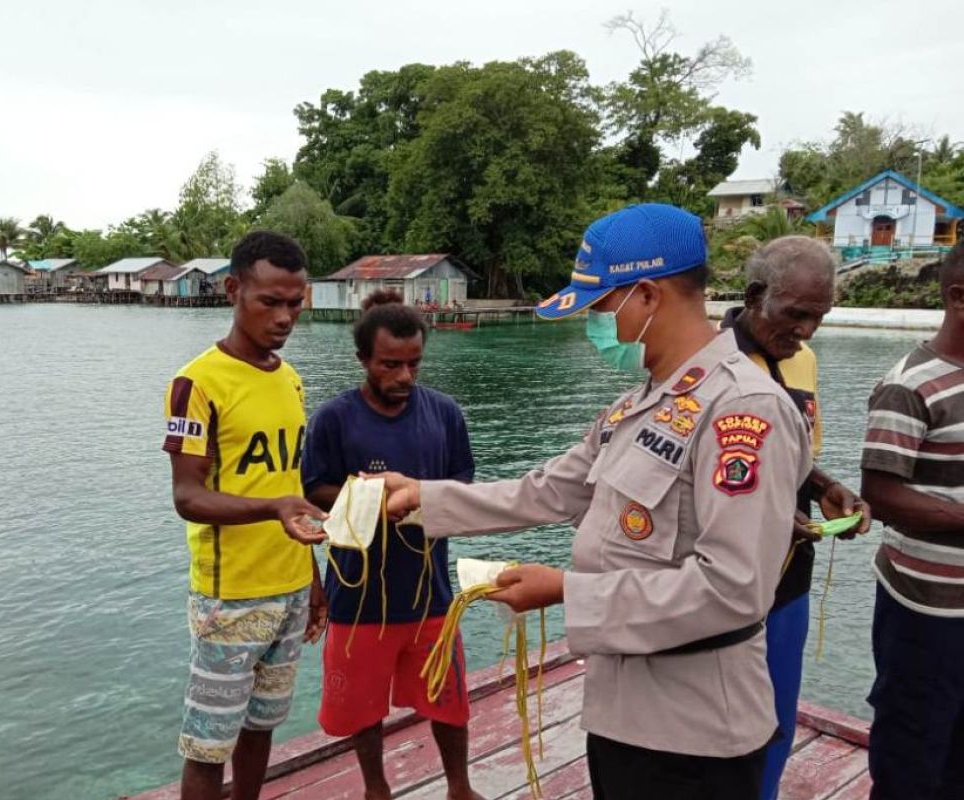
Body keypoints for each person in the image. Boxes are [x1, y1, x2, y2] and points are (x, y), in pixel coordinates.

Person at [380, 204, 812, 800]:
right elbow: (549, 489)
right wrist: (421, 498)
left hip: (695, 731)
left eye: (602, 307)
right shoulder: (640, 404)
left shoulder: (743, 411)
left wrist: (565, 590)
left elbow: (733, 589)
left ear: (647, 295)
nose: (594, 324)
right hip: (619, 708)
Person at [164, 230, 328, 800]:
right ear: (234, 290)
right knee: (209, 743)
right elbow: (187, 496)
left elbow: (288, 484)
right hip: (230, 595)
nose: (284, 317)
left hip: (289, 586)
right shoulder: (199, 382)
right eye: (270, 301)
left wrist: (313, 574)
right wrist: (273, 508)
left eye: (295, 304)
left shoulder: (290, 379)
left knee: (263, 725)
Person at [302, 290, 481, 800]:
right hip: (357, 602)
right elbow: (313, 488)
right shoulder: (333, 419)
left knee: (449, 701)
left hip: (431, 595)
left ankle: (460, 788)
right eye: (390, 365)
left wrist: (424, 500)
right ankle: (375, 789)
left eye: (414, 364)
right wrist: (375, 499)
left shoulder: (445, 414)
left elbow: (463, 482)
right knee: (363, 708)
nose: (404, 376)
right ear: (363, 360)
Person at [721, 236, 871, 800]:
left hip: (791, 576)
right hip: (727, 582)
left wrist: (827, 487)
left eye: (820, 317)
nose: (807, 330)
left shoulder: (800, 360)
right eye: (796, 314)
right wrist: (762, 512)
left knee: (779, 713)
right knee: (722, 723)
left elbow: (797, 455)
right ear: (757, 296)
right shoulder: (706, 362)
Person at [861, 239, 964, 800]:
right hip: (924, 608)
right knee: (912, 751)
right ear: (958, 297)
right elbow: (881, 494)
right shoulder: (909, 383)